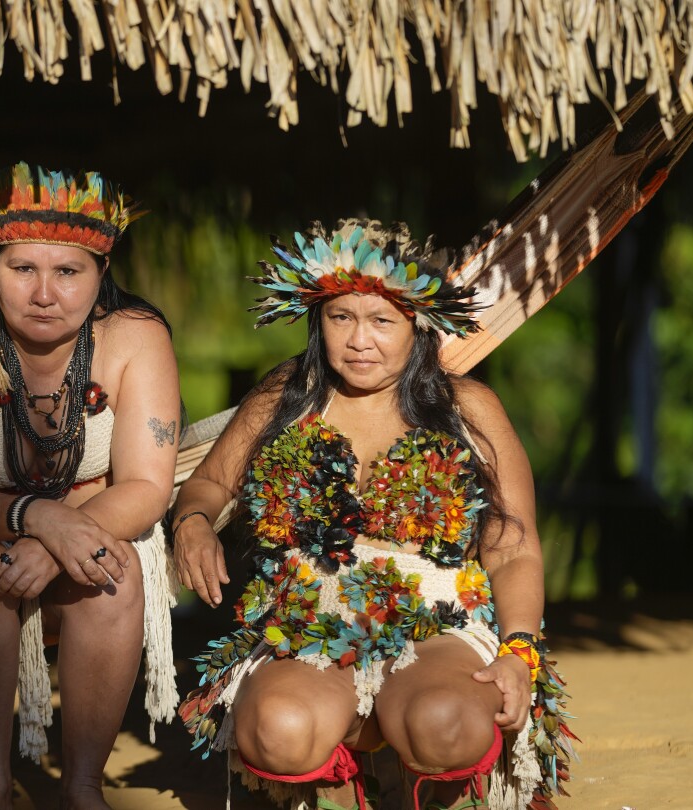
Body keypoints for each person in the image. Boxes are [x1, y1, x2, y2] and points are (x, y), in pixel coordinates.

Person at [171, 221, 575, 810]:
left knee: (444, 722)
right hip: (308, 624)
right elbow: (208, 482)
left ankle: (423, 775)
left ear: (417, 323)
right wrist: (194, 524)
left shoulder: (468, 408)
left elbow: (512, 546)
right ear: (317, 320)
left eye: (382, 321)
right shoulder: (286, 395)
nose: (360, 340)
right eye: (341, 318)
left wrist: (518, 652)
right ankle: (343, 780)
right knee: (277, 730)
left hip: (438, 627)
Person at [0, 162, 182, 810]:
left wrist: (60, 539)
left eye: (68, 272)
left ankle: (83, 784)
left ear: (101, 274)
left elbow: (146, 483)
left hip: (90, 532)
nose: (43, 293)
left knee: (110, 573)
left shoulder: (136, 338)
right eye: (22, 269)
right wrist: (42, 519)